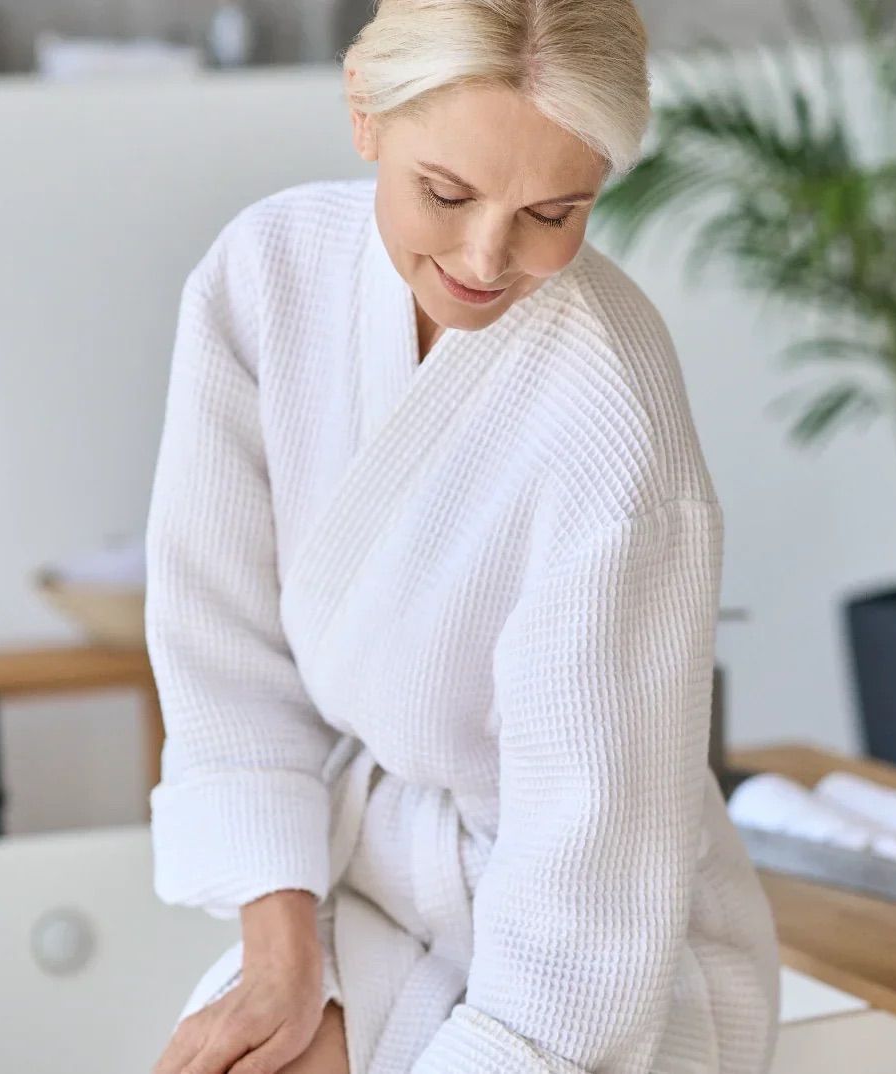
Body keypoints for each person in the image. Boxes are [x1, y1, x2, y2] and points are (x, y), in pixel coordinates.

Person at [145, 2, 781, 1073]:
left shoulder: (612, 415)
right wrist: (282, 959)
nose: (489, 256)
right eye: (446, 192)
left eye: (554, 211)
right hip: (378, 867)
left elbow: (593, 870)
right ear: (365, 110)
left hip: (598, 937)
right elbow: (223, 650)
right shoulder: (264, 280)